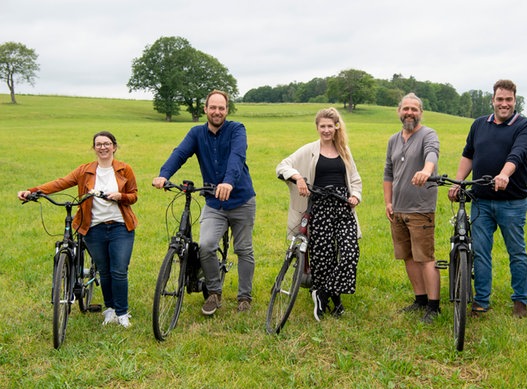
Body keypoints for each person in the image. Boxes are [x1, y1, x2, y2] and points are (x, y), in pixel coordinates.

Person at [18, 131, 138, 328]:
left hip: (120, 226)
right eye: (99, 144)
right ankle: (110, 310)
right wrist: (32, 191)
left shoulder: (125, 169)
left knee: (119, 271)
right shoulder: (85, 171)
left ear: (114, 147)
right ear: (94, 148)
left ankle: (122, 312)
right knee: (105, 272)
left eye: (107, 144)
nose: (103, 147)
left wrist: (120, 196)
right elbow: (60, 183)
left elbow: (133, 195)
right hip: (93, 228)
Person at [152, 89, 256, 316]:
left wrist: (228, 182)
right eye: (213, 107)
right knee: (207, 246)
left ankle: (244, 297)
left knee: (243, 249)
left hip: (241, 200)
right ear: (205, 109)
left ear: (226, 110)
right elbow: (180, 153)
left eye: (221, 108)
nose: (217, 112)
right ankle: (214, 293)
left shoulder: (237, 129)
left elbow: (237, 157)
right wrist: (164, 174)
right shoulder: (196, 133)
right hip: (213, 203)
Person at [449, 79, 527, 318]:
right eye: (500, 99)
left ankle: (520, 300)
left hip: (512, 201)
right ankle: (481, 300)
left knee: (516, 251)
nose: (504, 104)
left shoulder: (525, 126)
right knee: (480, 251)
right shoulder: (479, 125)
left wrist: (504, 174)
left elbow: (518, 154)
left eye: (508, 99)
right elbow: (468, 154)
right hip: (481, 200)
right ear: (493, 100)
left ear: (514, 100)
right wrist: (458, 182)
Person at [276, 107, 362, 321]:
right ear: (317, 127)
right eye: (322, 126)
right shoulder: (309, 149)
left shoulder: (344, 150)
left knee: (350, 253)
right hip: (320, 207)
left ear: (336, 126)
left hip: (342, 207)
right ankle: (335, 300)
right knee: (323, 258)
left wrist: (356, 197)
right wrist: (298, 178)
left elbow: (356, 180)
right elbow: (283, 166)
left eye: (329, 126)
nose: (326, 130)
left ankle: (321, 293)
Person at [384, 93, 441, 323]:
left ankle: (434, 306)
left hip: (420, 208)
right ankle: (420, 300)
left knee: (425, 257)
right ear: (399, 111)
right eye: (406, 108)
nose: (410, 113)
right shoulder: (393, 140)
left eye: (414, 109)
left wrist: (427, 171)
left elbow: (432, 154)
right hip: (398, 208)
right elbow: (388, 172)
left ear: (421, 113)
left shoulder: (428, 134)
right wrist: (389, 202)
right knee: (407, 256)